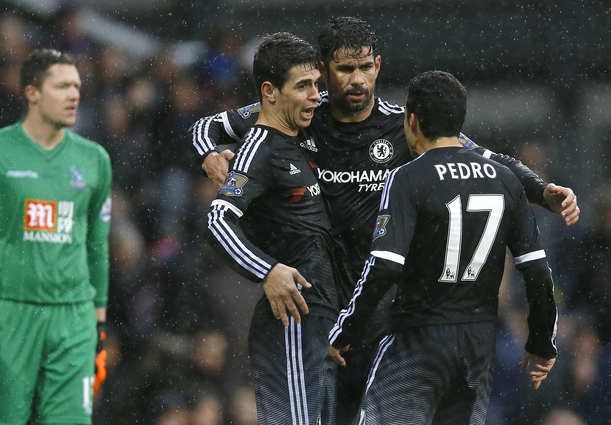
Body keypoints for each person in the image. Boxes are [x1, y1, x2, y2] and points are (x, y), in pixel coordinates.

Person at [191, 16, 578, 424]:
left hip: (379, 314)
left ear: (378, 65)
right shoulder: (301, 112)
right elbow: (206, 127)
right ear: (324, 71)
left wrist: (540, 192)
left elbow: (483, 157)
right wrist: (208, 156)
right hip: (317, 306)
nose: (357, 79)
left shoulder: (403, 124)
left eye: (365, 67)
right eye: (344, 69)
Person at [328, 70, 558, 424]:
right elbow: (538, 271)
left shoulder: (407, 177)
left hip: (416, 340)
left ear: (413, 121)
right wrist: (542, 341)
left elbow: (385, 265)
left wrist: (347, 329)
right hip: (477, 343)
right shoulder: (505, 179)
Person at [203, 32, 338, 424]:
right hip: (293, 319)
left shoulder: (298, 137)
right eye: (303, 86)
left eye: (316, 84)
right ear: (270, 92)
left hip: (321, 317)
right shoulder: (258, 147)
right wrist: (268, 270)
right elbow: (218, 219)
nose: (316, 95)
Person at [0, 48, 112, 425]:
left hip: (74, 316)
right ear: (32, 92)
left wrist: (99, 325)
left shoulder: (94, 158)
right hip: (7, 311)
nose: (74, 94)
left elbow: (97, 246)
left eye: (78, 86)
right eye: (62, 86)